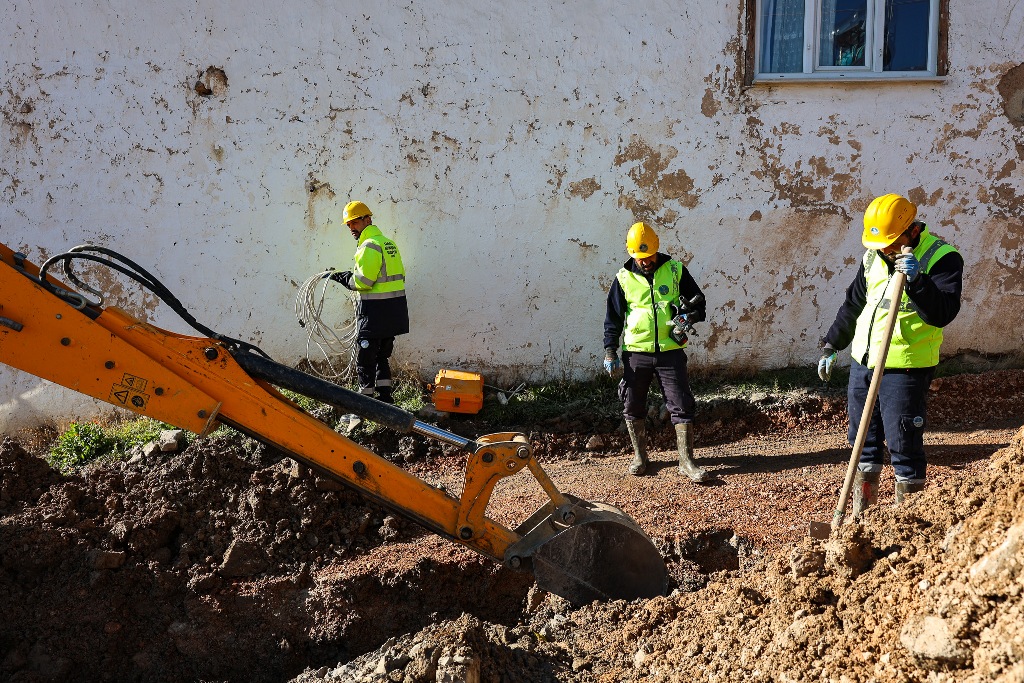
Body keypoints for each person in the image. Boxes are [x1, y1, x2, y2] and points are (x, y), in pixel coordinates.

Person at [818, 193, 963, 513]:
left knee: (903, 444)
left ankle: (904, 523)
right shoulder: (873, 255)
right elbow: (854, 303)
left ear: (913, 230)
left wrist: (917, 281)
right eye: (880, 244)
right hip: (864, 362)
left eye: (890, 243)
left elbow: (942, 313)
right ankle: (860, 518)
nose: (884, 250)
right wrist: (832, 345)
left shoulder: (942, 257)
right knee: (862, 442)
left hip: (906, 367)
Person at [603, 221, 710, 482]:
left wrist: (690, 316)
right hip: (635, 352)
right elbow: (613, 317)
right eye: (640, 257)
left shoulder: (675, 270)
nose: (646, 261)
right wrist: (610, 350)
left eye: (649, 256)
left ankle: (686, 461)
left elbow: (700, 304)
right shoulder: (623, 278)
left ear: (656, 249)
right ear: (632, 254)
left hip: (670, 350)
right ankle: (640, 457)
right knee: (632, 403)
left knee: (681, 403)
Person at [330, 200, 409, 405]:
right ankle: (386, 400)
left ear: (368, 219)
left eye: (355, 222)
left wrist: (343, 278)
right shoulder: (388, 244)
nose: (351, 228)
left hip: (374, 314)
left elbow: (364, 282)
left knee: (365, 360)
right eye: (349, 224)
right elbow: (399, 276)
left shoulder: (369, 245)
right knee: (382, 358)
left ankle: (365, 404)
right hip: (393, 313)